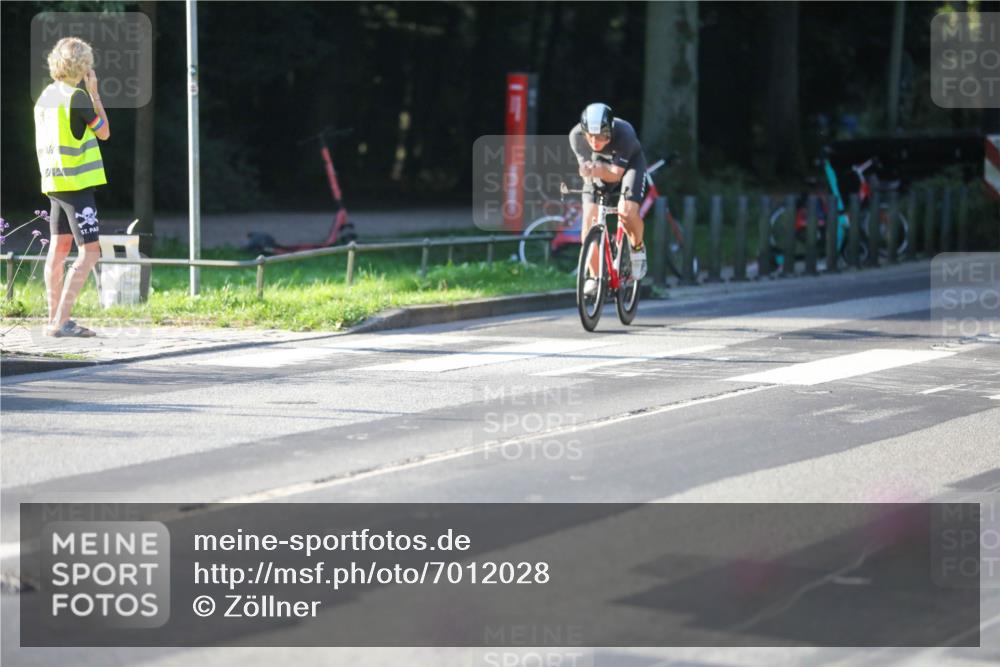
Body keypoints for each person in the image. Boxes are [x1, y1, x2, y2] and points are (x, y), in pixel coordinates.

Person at [34, 37, 111, 338]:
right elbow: (104, 132)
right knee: (90, 252)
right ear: (83, 66)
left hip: (53, 181)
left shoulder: (46, 96)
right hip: (77, 185)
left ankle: (53, 317)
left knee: (58, 249)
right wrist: (94, 94)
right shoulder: (76, 97)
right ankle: (63, 321)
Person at [568, 103, 647, 296]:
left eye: (601, 136)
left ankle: (637, 248)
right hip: (598, 166)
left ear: (610, 130)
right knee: (588, 227)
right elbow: (586, 170)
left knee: (627, 212)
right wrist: (587, 171)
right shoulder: (576, 136)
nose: (595, 142)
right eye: (590, 136)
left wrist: (599, 170)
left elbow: (615, 175)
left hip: (628, 167)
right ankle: (595, 277)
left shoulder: (625, 133)